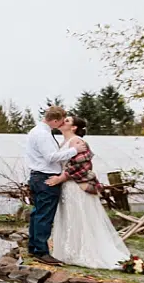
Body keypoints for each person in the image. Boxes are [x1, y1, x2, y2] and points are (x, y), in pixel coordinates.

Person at [46, 115, 131, 269]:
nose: (62, 121)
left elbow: (80, 166)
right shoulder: (63, 142)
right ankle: (68, 251)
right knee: (69, 218)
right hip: (66, 188)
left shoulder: (78, 142)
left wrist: (60, 178)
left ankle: (84, 252)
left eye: (67, 121)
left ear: (73, 127)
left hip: (75, 186)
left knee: (80, 217)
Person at [25, 106, 88, 265]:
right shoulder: (43, 135)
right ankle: (41, 251)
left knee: (37, 213)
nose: (61, 124)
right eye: (61, 121)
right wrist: (74, 151)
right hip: (46, 177)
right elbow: (51, 157)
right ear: (54, 120)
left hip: (38, 176)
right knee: (44, 216)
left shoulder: (37, 131)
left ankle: (33, 247)